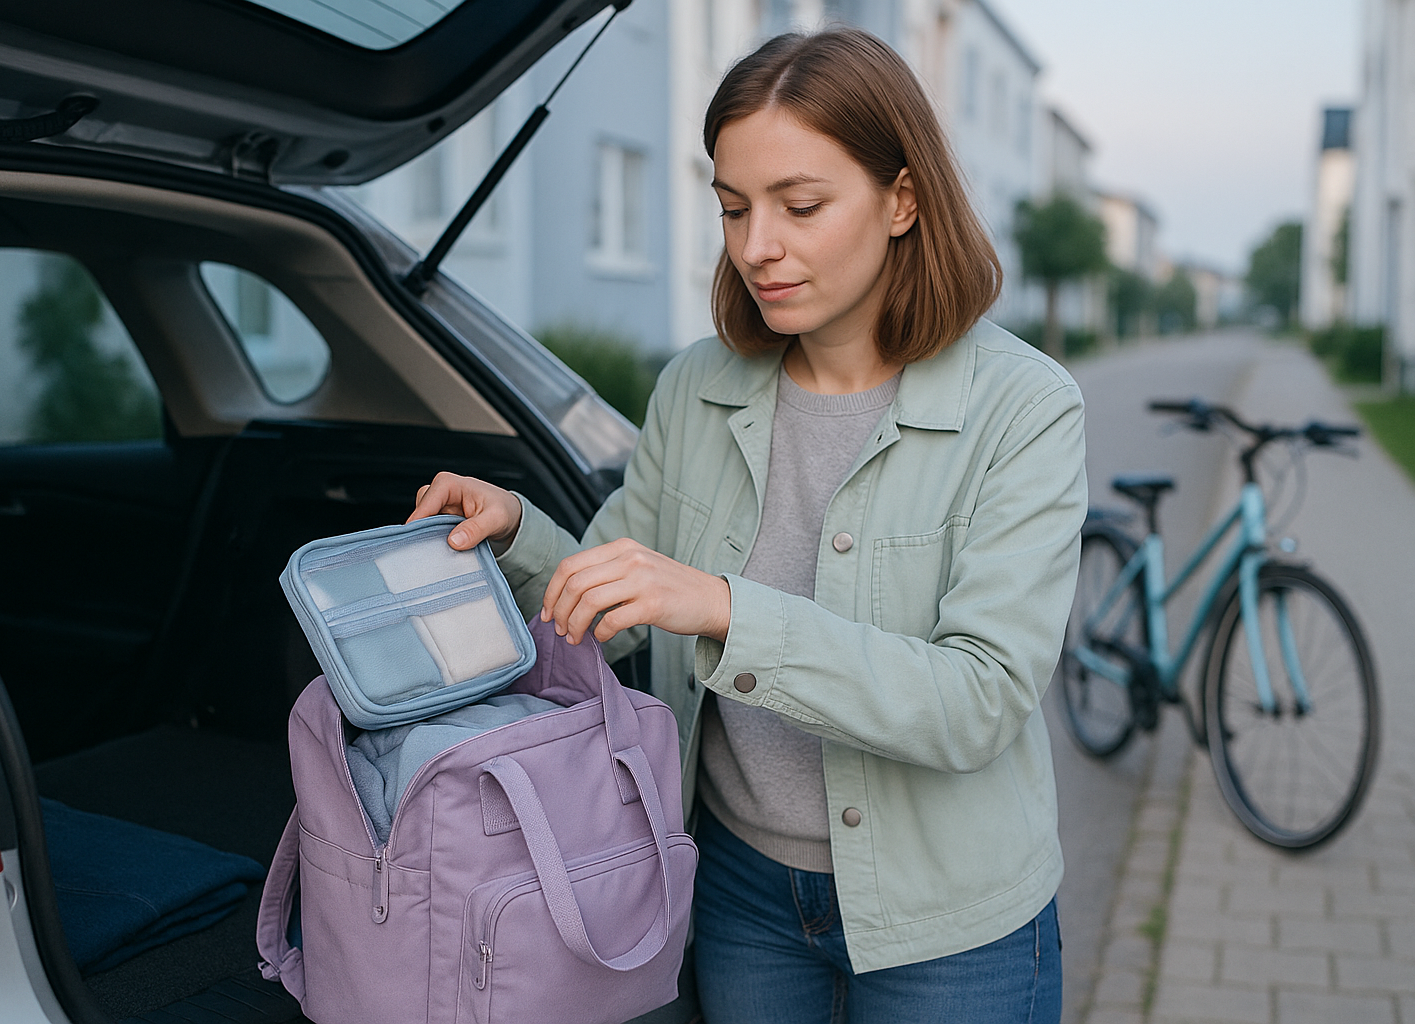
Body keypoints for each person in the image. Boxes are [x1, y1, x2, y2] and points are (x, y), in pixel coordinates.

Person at [408, 26, 1084, 1024]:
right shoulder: (696, 386)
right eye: (732, 207)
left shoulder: (1025, 407)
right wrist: (517, 535)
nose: (756, 245)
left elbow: (980, 699)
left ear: (903, 200)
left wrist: (726, 609)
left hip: (950, 926)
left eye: (800, 207)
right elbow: (613, 605)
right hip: (739, 892)